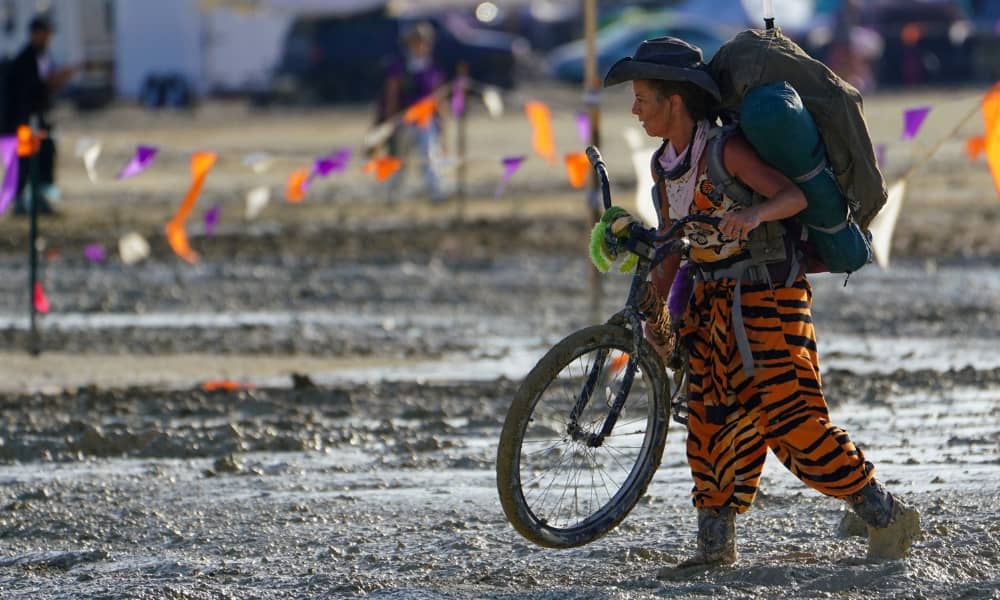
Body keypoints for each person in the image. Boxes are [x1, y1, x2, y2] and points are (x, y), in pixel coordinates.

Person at [602, 37, 920, 568]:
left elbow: (790, 197)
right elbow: (672, 250)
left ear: (675, 101)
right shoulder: (663, 168)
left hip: (769, 297)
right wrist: (655, 316)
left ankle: (885, 512)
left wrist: (751, 217)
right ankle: (713, 548)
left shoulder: (726, 151)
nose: (635, 110)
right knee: (709, 422)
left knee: (792, 420)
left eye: (643, 98)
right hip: (710, 305)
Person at [2, 15, 76, 215]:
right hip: (23, 123)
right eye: (45, 34)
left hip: (39, 120)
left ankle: (40, 199)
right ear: (36, 34)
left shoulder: (42, 57)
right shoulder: (24, 60)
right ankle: (20, 202)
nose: (48, 38)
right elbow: (29, 93)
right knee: (23, 164)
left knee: (45, 158)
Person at [378, 21, 448, 203]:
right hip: (404, 120)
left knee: (429, 156)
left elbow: (436, 97)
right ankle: (392, 194)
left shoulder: (432, 68)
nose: (420, 45)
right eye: (416, 41)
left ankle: (435, 192)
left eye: (424, 41)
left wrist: (441, 121)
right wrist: (391, 120)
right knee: (398, 159)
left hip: (426, 121)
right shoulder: (399, 66)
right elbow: (391, 95)